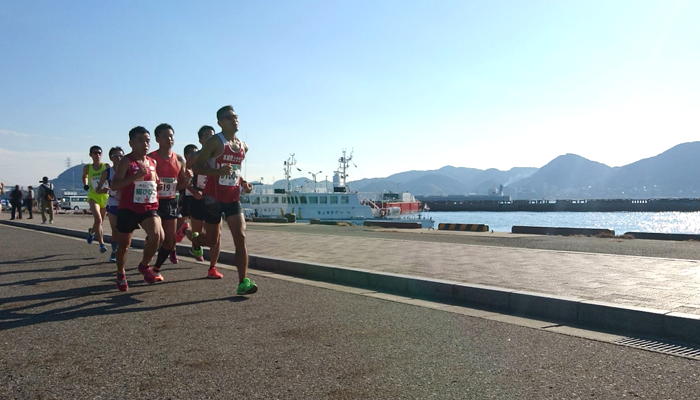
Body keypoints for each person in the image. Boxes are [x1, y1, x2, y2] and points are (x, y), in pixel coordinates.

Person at [192, 106, 257, 295]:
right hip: (213, 198)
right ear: (220, 122)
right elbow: (196, 167)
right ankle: (195, 239)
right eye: (228, 117)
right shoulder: (214, 142)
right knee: (212, 241)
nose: (234, 120)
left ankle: (243, 282)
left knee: (241, 236)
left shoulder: (243, 146)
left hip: (233, 198)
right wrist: (217, 172)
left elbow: (235, 171)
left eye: (235, 116)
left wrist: (244, 183)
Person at [111, 126, 164, 291]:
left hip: (148, 206)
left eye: (147, 140)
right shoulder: (126, 161)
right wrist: (134, 177)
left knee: (157, 236)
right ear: (131, 143)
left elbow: (154, 180)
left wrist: (159, 184)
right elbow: (115, 184)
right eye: (140, 140)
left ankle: (144, 265)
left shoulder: (152, 162)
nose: (145, 144)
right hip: (128, 208)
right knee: (124, 245)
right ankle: (120, 273)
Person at [148, 123, 187, 281]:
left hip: (171, 202)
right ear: (157, 139)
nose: (169, 139)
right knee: (158, 237)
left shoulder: (178, 159)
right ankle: (146, 262)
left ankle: (156, 269)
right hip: (153, 202)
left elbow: (182, 184)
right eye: (164, 136)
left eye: (171, 136)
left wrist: (189, 180)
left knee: (169, 241)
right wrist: (154, 184)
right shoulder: (151, 158)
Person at [95, 147, 124, 262]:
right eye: (116, 155)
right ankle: (114, 252)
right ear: (111, 158)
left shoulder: (127, 170)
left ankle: (121, 251)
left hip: (125, 202)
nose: (118, 158)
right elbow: (98, 189)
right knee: (115, 230)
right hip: (112, 202)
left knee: (124, 231)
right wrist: (105, 190)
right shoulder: (107, 172)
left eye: (121, 155)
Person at [82, 146, 109, 253]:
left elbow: (112, 177)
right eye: (95, 153)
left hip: (105, 196)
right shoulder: (87, 168)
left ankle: (91, 232)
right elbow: (84, 176)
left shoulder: (106, 166)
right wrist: (85, 185)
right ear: (90, 155)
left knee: (100, 222)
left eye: (99, 153)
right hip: (93, 196)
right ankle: (102, 244)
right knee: (98, 219)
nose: (97, 155)